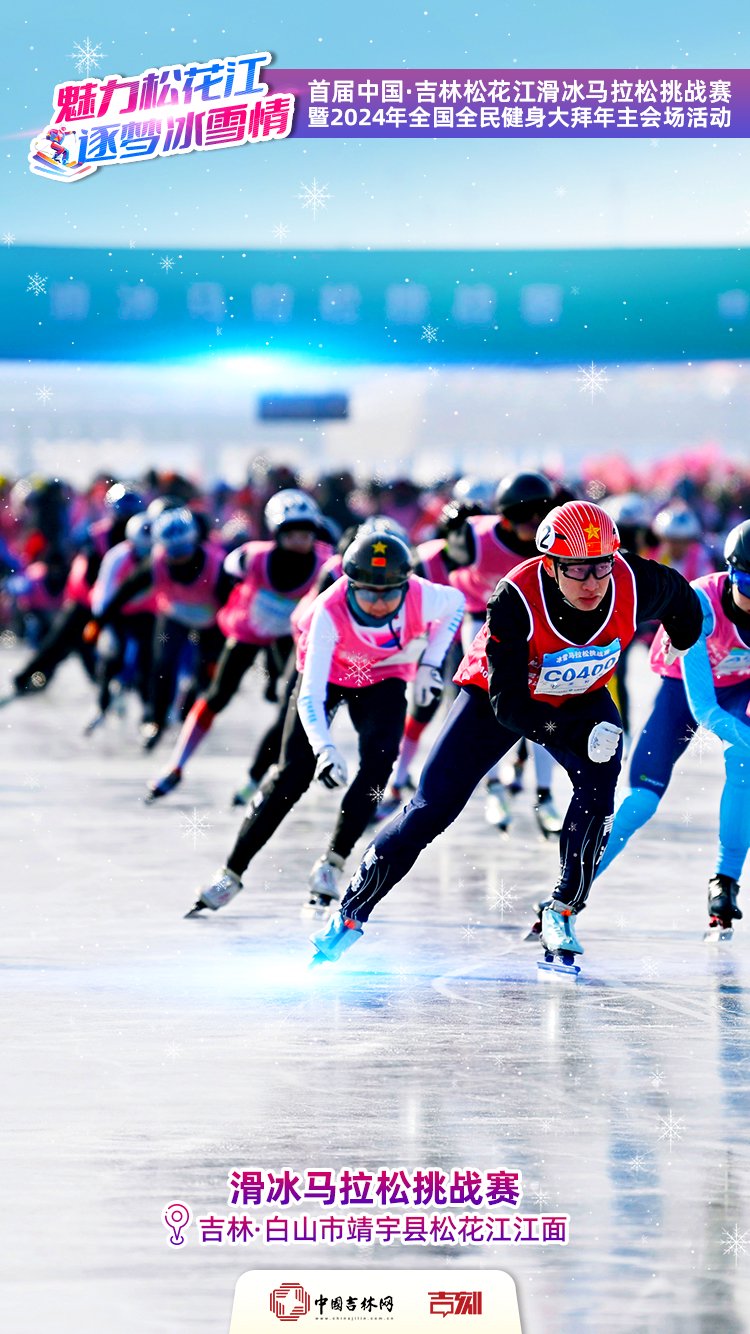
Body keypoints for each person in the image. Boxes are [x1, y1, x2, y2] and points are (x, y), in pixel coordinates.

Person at [309, 500, 703, 974]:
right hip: (500, 699)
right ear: (551, 564)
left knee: (599, 792)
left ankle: (562, 910)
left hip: (582, 694)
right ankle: (351, 912)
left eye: (602, 567)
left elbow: (684, 602)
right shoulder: (515, 596)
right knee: (433, 808)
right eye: (577, 570)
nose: (592, 583)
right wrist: (573, 735)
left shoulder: (636, 580)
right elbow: (510, 708)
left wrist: (681, 639)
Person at [184, 530, 465, 920]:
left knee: (379, 764)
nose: (380, 603)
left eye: (389, 593)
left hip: (383, 676)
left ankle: (333, 861)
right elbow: (309, 696)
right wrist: (326, 749)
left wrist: (431, 664)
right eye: (368, 593)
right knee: (292, 775)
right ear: (350, 584)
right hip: (329, 676)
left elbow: (457, 604)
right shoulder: (328, 611)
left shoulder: (420, 594)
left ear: (405, 585)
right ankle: (231, 872)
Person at [596, 519, 750, 937]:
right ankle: (573, 887)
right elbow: (704, 708)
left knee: (743, 762)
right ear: (734, 574)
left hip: (741, 683)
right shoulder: (701, 602)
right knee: (640, 803)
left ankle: (726, 880)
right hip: (687, 686)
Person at [144, 489, 332, 801]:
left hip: (290, 639)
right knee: (217, 695)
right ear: (276, 533)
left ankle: (252, 780)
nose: (300, 540)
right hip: (247, 633)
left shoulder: (325, 562)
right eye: (292, 533)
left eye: (306, 533)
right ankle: (175, 765)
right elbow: (224, 583)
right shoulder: (251, 557)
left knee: (288, 707)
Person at [448, 470, 562, 836]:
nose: (531, 524)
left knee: (542, 704)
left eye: (539, 514)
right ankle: (493, 785)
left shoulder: (556, 538)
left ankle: (544, 793)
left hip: (535, 627)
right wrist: (449, 529)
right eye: (522, 515)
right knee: (489, 703)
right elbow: (445, 557)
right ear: (504, 516)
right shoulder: (475, 535)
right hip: (482, 622)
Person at [88, 507, 231, 750]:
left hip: (210, 622)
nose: (178, 559)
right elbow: (125, 591)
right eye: (172, 552)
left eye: (183, 550)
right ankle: (154, 720)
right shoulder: (156, 562)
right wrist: (98, 623)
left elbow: (232, 604)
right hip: (173, 617)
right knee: (162, 665)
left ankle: (187, 715)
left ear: (194, 541)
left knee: (206, 673)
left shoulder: (216, 565)